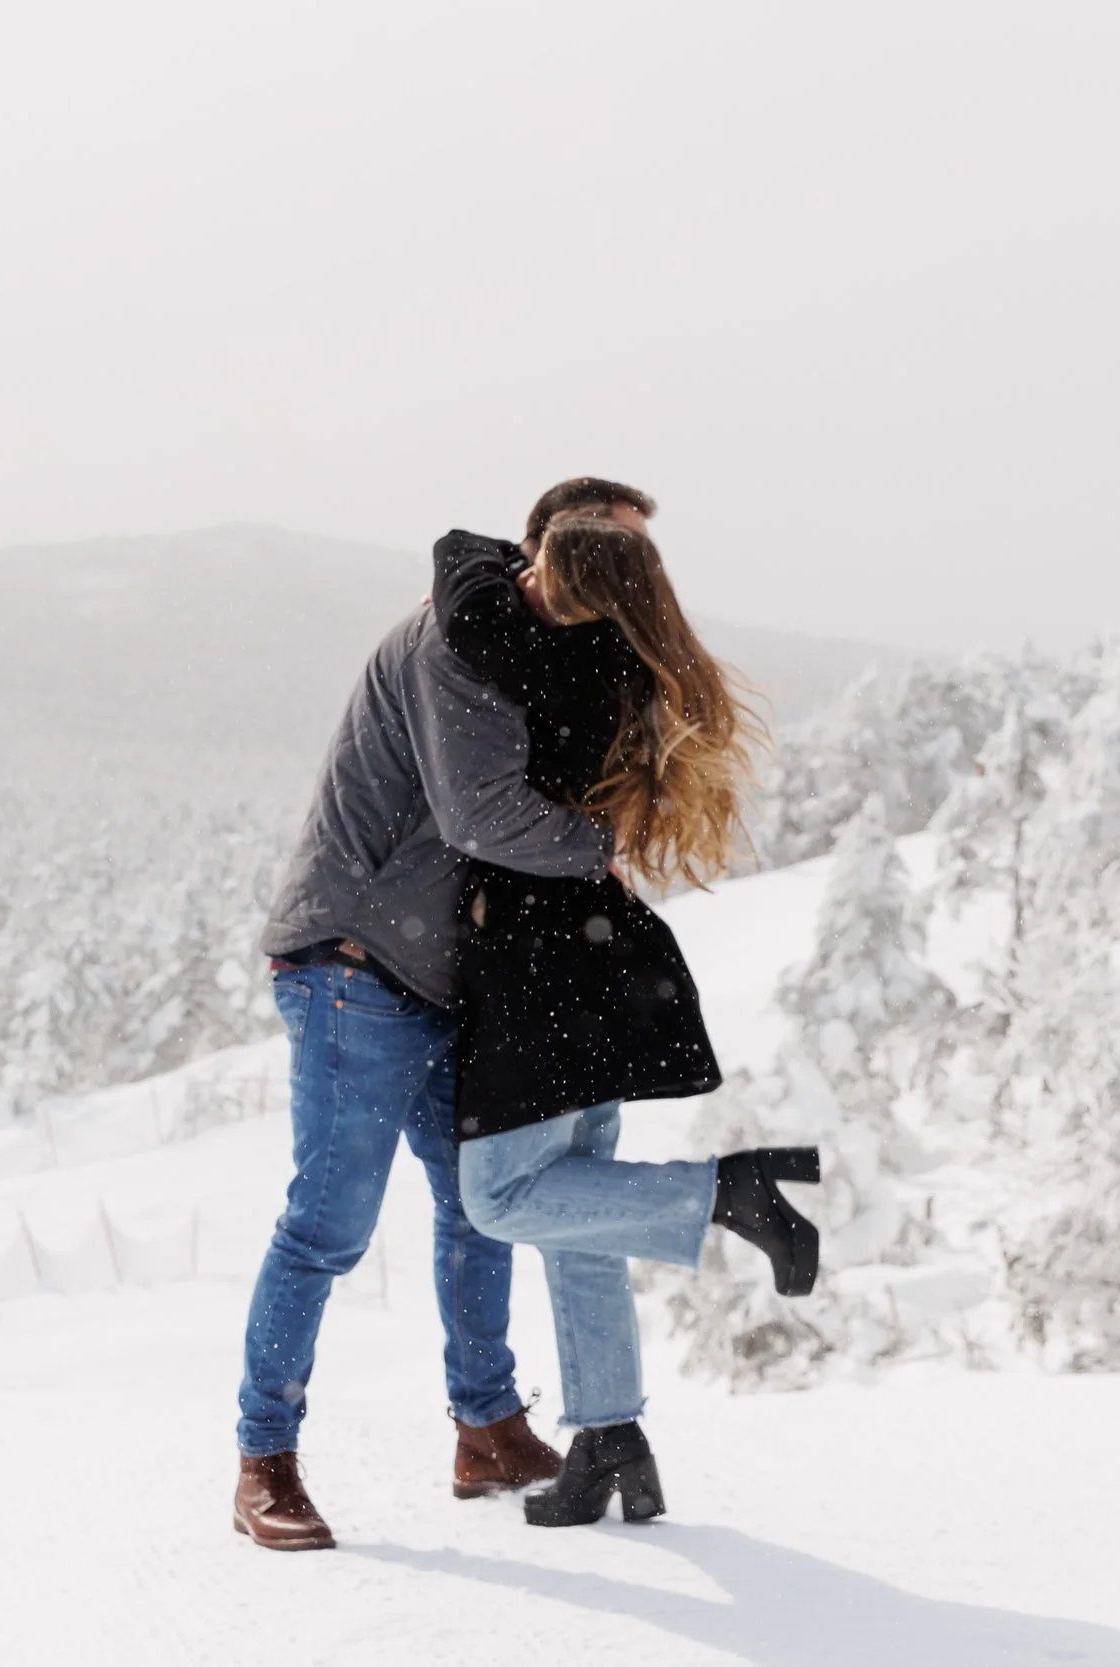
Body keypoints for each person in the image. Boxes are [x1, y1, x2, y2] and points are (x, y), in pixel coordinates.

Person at [232, 479, 665, 1552]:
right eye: (605, 552)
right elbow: (483, 812)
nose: (620, 579)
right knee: (327, 1221)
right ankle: (263, 1460)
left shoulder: (536, 652)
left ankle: (488, 1426)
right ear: (544, 547)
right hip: (356, 958)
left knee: (478, 1207)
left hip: (439, 975)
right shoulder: (454, 643)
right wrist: (602, 849)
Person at [435, 513, 820, 1530]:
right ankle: (610, 1436)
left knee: (503, 1196)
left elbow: (468, 599)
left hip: (536, 953)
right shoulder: (618, 657)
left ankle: (724, 1193)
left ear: (563, 577)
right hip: (595, 949)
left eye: (542, 565)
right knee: (581, 1205)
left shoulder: (536, 652)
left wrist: (480, 550)